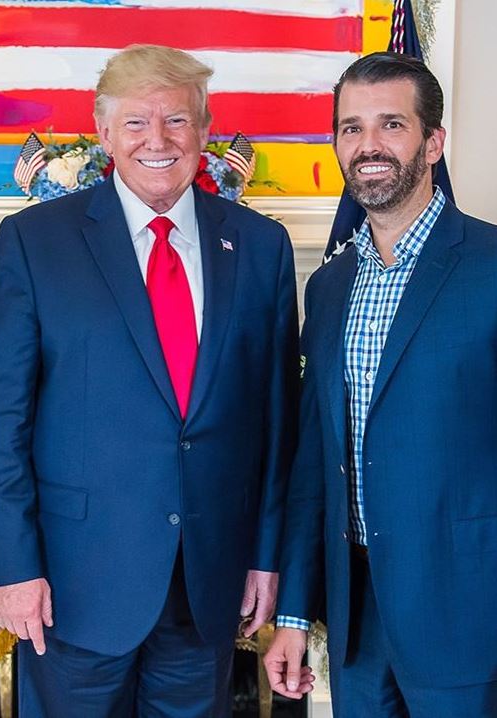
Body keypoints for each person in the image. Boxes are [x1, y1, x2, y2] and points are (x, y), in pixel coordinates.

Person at [0, 44, 299, 716]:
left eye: (177, 122)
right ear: (103, 134)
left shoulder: (261, 247)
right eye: (136, 124)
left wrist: (266, 558)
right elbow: (0, 422)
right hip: (69, 588)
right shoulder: (36, 242)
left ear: (203, 133)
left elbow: (275, 422)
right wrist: (11, 567)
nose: (158, 140)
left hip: (208, 584)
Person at [265, 51, 497, 717]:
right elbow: (314, 463)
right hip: (355, 620)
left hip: (468, 615)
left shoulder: (488, 267)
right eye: (349, 128)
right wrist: (293, 613)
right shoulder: (330, 286)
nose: (367, 146)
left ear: (432, 142)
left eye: (390, 125)